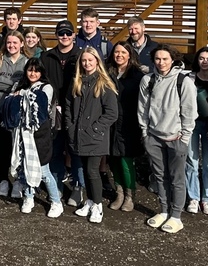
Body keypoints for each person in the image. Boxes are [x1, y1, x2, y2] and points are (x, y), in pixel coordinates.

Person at [138, 44, 196, 234]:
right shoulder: (148, 80)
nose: (161, 62)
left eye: (165, 59)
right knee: (160, 176)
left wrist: (185, 138)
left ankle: (176, 215)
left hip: (176, 138)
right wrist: (145, 133)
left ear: (173, 59)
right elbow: (143, 109)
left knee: (177, 179)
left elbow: (189, 112)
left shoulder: (183, 81)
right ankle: (164, 210)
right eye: (157, 59)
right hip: (154, 137)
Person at [2, 58, 63, 218]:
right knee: (24, 168)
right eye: (30, 70)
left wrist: (19, 96)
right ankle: (29, 198)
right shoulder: (19, 85)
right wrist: (19, 96)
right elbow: (8, 102)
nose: (33, 73)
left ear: (41, 72)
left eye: (36, 70)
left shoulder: (46, 87)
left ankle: (56, 201)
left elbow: (40, 102)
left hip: (40, 135)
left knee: (43, 170)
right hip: (21, 134)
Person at [65, 47, 119, 223]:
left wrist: (95, 129)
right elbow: (67, 106)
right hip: (78, 135)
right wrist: (70, 127)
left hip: (95, 137)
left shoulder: (103, 83)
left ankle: (98, 205)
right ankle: (89, 200)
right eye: (84, 60)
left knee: (92, 171)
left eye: (90, 60)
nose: (87, 63)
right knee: (85, 171)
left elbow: (111, 113)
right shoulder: (77, 82)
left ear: (97, 61)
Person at [42, 19, 81, 201]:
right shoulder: (47, 57)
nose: (64, 36)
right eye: (61, 33)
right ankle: (56, 185)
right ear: (56, 35)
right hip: (53, 112)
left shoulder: (81, 56)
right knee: (55, 150)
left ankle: (78, 187)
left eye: (68, 33)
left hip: (76, 111)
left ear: (74, 35)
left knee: (76, 151)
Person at [105, 40, 144, 212]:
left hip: (129, 123)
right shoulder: (108, 73)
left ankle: (129, 195)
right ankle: (119, 192)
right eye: (116, 52)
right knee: (113, 160)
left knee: (126, 160)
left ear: (130, 55)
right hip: (110, 123)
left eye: (123, 52)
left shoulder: (137, 75)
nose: (119, 55)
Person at [0, 31, 28, 198]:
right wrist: (14, 86)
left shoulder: (26, 62)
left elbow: (27, 83)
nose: (12, 45)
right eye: (9, 42)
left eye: (15, 42)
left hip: (18, 112)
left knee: (19, 148)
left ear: (21, 44)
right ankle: (3, 180)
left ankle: (19, 182)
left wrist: (17, 86)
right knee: (2, 148)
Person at [185, 47, 208, 216]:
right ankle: (193, 197)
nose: (204, 62)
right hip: (192, 123)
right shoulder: (189, 79)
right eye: (201, 58)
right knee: (191, 161)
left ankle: (207, 199)